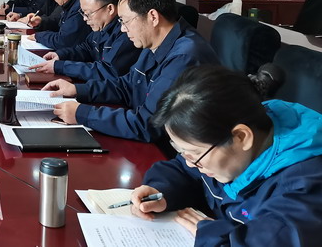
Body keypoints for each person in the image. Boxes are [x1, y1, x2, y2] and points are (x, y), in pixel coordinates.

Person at [131, 65, 322, 246]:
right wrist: (160, 191)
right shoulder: (225, 135)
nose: (190, 163)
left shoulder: (304, 191)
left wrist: (214, 237)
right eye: (182, 151)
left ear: (241, 137)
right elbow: (183, 170)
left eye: (195, 154)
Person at [44, 0, 219, 142]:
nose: (122, 29)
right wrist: (77, 89)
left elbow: (148, 124)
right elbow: (127, 86)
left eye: (125, 21)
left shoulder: (184, 57)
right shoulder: (154, 42)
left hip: (170, 149)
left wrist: (83, 113)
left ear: (153, 17)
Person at [29, 0, 141, 82]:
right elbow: (87, 48)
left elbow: (107, 71)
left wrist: (61, 66)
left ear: (110, 9)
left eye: (88, 13)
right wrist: (61, 55)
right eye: (83, 13)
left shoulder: (126, 33)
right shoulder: (101, 26)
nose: (84, 18)